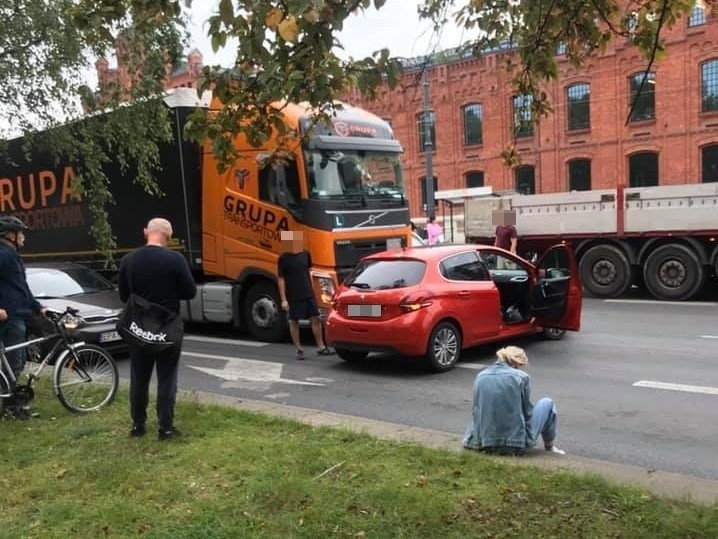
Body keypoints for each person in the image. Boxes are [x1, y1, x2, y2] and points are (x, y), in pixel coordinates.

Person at [118, 218, 197, 440]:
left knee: (139, 378)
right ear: (169, 237)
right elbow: (190, 291)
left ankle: (138, 425)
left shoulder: (128, 260)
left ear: (146, 233)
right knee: (167, 378)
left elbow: (124, 295)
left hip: (139, 328)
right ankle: (166, 428)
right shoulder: (175, 259)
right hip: (167, 328)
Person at [462, 346, 565, 456]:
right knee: (547, 403)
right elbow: (527, 413)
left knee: (485, 408)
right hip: (514, 446)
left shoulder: (480, 376)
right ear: (518, 363)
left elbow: (476, 411)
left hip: (483, 443)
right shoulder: (521, 377)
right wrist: (528, 439)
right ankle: (549, 446)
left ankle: (477, 440)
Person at [0, 216, 46, 420]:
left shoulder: (11, 255)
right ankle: (11, 407)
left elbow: (21, 288)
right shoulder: (3, 255)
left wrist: (38, 306)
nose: (24, 238)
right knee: (13, 363)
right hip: (9, 317)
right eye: (21, 233)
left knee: (13, 364)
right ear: (10, 235)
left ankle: (11, 405)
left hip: (18, 314)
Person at [277, 231, 334, 360]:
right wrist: (283, 299)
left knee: (316, 318)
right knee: (294, 321)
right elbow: (280, 278)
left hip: (308, 292)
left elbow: (308, 272)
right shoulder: (283, 258)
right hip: (293, 294)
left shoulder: (305, 254)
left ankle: (321, 347)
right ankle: (299, 349)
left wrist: (313, 290)